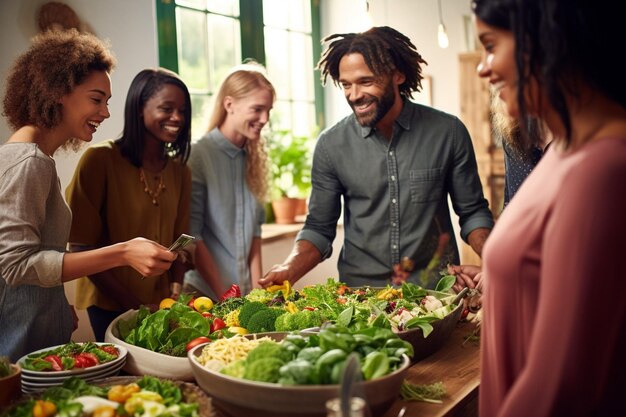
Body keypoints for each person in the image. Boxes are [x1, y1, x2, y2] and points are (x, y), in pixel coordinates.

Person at [472, 0, 626, 415]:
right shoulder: (564, 151)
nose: (482, 68)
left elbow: (560, 386)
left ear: (542, 42)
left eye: (490, 45)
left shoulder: (603, 170)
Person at [259, 26, 494, 290]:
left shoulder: (448, 133)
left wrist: (498, 262)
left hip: (436, 291)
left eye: (366, 81)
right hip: (361, 297)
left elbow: (473, 212)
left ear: (398, 75)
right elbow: (318, 228)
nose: (354, 95)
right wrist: (290, 267)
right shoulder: (331, 145)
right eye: (346, 84)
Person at [0, 30, 176, 361]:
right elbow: (16, 265)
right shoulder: (28, 162)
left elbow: (26, 260)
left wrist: (53, 301)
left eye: (107, 102)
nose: (106, 113)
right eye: (97, 99)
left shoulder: (33, 158)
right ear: (57, 93)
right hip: (16, 353)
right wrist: (123, 252)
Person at [65, 68, 193, 341]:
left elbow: (179, 245)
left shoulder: (180, 171)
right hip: (109, 303)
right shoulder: (99, 159)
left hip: (161, 303)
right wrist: (135, 306)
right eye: (167, 108)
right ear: (139, 108)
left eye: (183, 111)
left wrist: (174, 293)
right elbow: (80, 244)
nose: (177, 118)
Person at [183, 62, 274, 299]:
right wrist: (226, 296)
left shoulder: (254, 159)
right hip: (204, 295)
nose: (265, 119)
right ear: (229, 104)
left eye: (269, 110)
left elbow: (255, 234)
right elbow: (193, 237)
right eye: (257, 109)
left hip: (241, 296)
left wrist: (257, 294)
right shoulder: (199, 156)